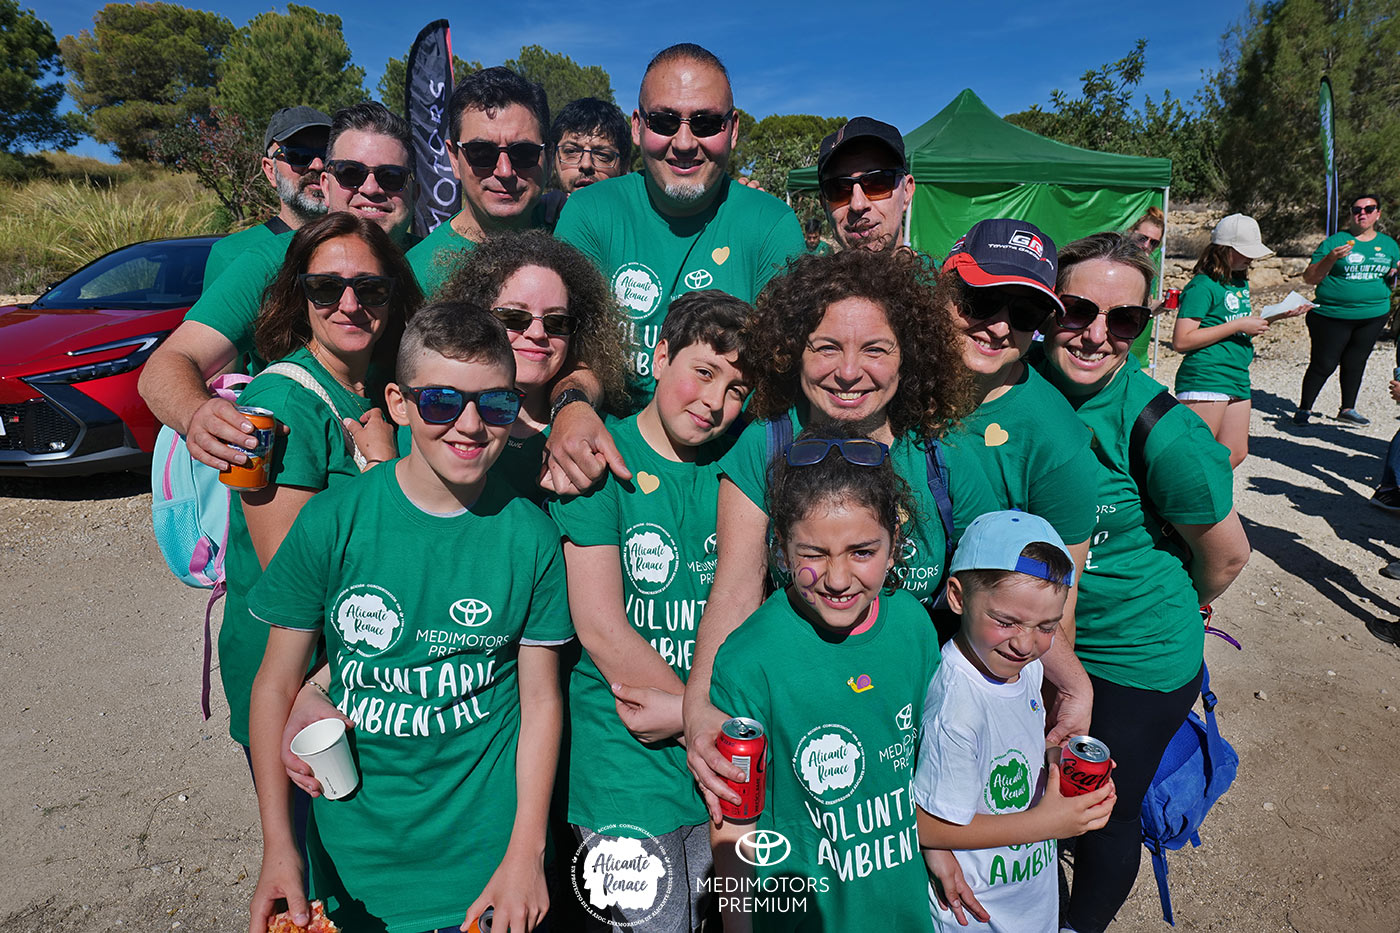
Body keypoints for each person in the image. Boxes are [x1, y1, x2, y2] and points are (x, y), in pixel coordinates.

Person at [246, 305, 571, 933]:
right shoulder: (334, 521)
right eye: (442, 402)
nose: (470, 425)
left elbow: (540, 701)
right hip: (354, 861)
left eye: (495, 404)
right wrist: (279, 848)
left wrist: (527, 853)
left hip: (484, 865)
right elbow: (274, 683)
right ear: (398, 404)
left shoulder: (530, 536)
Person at [683, 247, 1002, 819]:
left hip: (913, 728)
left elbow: (999, 585)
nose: (849, 371)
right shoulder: (766, 443)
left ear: (909, 356)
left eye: (875, 349)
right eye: (826, 347)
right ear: (793, 351)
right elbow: (733, 590)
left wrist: (1069, 683)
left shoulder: (941, 455)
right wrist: (699, 708)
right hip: (800, 729)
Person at [1034, 232, 1251, 933]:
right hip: (1030, 640)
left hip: (1131, 656)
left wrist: (1186, 608)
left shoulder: (1162, 428)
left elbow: (1226, 556)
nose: (1096, 334)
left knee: (1102, 807)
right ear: (1047, 307)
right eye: (1076, 310)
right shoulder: (1015, 384)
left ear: (1144, 324)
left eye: (1123, 319)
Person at [548, 291, 752, 932]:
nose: (715, 401)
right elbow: (603, 628)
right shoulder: (601, 461)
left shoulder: (741, 468)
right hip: (626, 774)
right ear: (661, 357)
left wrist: (700, 722)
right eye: (704, 371)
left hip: (721, 769)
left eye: (737, 389)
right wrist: (702, 723)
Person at [708, 426, 941, 931]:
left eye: (862, 552)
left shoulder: (913, 627)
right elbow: (733, 825)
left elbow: (927, 770)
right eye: (813, 554)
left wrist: (940, 854)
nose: (837, 579)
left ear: (895, 544)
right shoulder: (749, 659)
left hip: (902, 912)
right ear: (781, 550)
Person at [218, 212, 421, 781]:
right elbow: (291, 576)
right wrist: (382, 467)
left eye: (371, 288)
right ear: (299, 295)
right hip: (296, 682)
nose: (350, 305)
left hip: (360, 664)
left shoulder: (380, 381)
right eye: (326, 287)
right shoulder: (279, 404)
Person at [548, 43, 804, 488]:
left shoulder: (771, 226)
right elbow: (567, 351)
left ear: (733, 129)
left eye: (705, 123)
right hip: (610, 463)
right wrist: (571, 406)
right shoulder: (590, 212)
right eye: (665, 122)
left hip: (730, 471)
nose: (684, 143)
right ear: (637, 127)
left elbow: (781, 379)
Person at [139, 101, 418, 470]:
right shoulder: (271, 262)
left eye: (391, 177)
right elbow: (168, 363)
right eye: (350, 173)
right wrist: (197, 415)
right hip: (302, 474)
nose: (371, 188)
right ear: (326, 184)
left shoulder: (430, 258)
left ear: (414, 190)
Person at [914, 510, 1116, 933]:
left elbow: (1014, 749)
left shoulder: (1026, 668)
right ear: (957, 597)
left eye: (1047, 626)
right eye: (1006, 622)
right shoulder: (957, 706)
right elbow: (929, 826)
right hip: (977, 913)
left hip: (1027, 897)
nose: (1025, 644)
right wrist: (1049, 824)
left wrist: (1061, 764)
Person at [938, 218, 1097, 726]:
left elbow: (1058, 597)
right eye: (980, 300)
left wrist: (1056, 696)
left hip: (978, 663)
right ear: (943, 291)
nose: (1001, 326)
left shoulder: (1057, 440)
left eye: (1025, 313)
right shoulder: (887, 377)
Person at [432, 230, 628, 503]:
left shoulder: (603, 436)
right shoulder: (433, 417)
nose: (537, 333)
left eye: (557, 321)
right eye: (514, 316)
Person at [1172, 213, 1303, 469]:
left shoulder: (1238, 280)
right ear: (1223, 249)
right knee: (1194, 455)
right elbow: (1182, 340)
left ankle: (1209, 491)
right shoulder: (1202, 286)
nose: (1250, 259)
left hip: (1237, 375)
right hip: (1207, 376)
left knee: (1235, 452)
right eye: (1244, 252)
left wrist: (1279, 315)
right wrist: (1238, 325)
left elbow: (1233, 326)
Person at [406, 67, 551, 296]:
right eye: (481, 153)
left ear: (549, 156)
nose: (505, 171)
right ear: (454, 159)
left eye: (524, 153)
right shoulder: (415, 275)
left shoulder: (578, 237)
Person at [1296, 193, 1400, 426]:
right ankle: (1304, 409)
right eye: (1356, 210)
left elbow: (1392, 275)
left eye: (1369, 209)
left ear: (1378, 214)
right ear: (1351, 214)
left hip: (1373, 315)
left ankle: (1347, 409)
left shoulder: (1389, 245)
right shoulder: (1335, 242)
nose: (1362, 213)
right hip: (1333, 315)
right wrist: (1331, 258)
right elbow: (1310, 278)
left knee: (1356, 362)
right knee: (1324, 364)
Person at [204, 106, 331, 284]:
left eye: (327, 155)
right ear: (270, 171)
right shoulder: (231, 256)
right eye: (298, 154)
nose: (318, 165)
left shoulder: (361, 248)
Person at [817, 116, 915, 253]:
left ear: (906, 192)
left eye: (877, 182)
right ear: (824, 205)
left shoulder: (940, 267)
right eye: (839, 189)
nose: (857, 205)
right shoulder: (810, 267)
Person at [540, 97, 631, 231]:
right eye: (571, 151)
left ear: (623, 167)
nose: (586, 164)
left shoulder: (635, 227)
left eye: (602, 155)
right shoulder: (537, 220)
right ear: (553, 160)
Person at [1124, 206, 1165, 368]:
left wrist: (1165, 305)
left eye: (1154, 242)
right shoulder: (1111, 258)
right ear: (1131, 232)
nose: (1147, 245)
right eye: (1142, 238)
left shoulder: (1148, 272)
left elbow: (1145, 308)